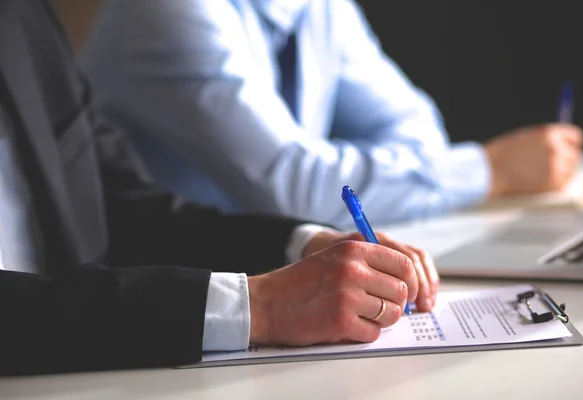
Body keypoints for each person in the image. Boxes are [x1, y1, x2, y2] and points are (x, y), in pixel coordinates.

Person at [0, 0, 438, 376]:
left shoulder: (21, 16)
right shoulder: (163, 13)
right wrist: (258, 307)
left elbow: (122, 210)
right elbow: (294, 181)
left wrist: (302, 246)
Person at [80, 0, 583, 228]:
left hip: (275, 272)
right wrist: (489, 169)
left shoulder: (317, 6)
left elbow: (419, 133)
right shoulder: (165, 11)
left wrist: (338, 177)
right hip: (172, 301)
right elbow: (292, 188)